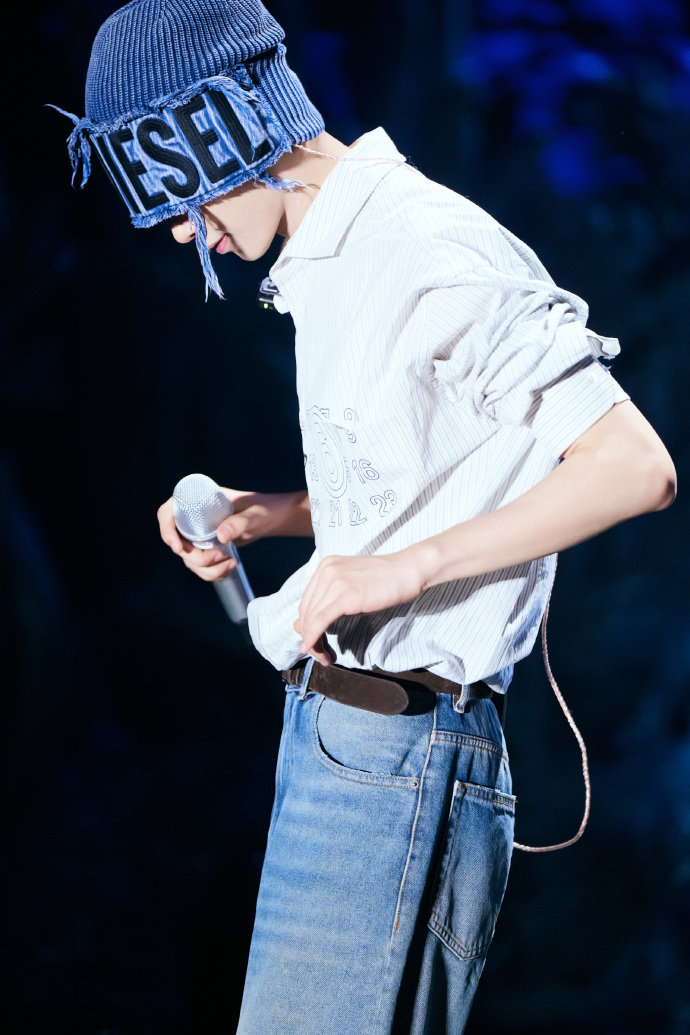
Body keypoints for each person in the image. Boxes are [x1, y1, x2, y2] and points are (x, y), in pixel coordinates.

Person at [54, 0, 676, 1031]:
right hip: (350, 739)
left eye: (179, 193)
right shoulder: (333, 260)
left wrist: (402, 569)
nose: (179, 228)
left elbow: (633, 466)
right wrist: (274, 514)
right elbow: (436, 468)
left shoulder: (422, 246)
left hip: (402, 750)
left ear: (226, 128)